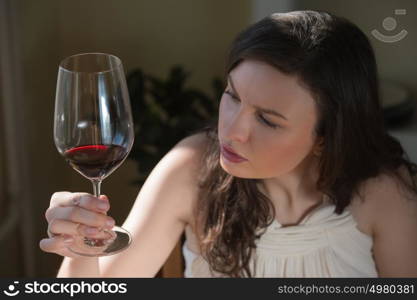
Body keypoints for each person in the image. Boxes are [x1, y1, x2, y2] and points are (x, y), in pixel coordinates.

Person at [40, 10, 417, 278]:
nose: (231, 132)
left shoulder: (383, 192)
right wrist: (78, 247)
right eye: (233, 96)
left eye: (268, 119)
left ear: (326, 136)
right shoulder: (189, 169)